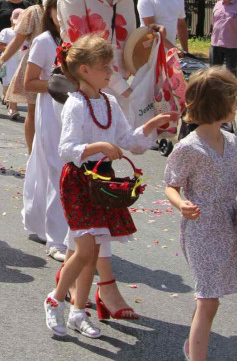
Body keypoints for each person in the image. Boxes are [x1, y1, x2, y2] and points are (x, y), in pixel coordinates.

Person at [45, 34, 176, 339]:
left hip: (102, 181)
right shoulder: (75, 103)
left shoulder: (110, 102)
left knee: (92, 252)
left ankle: (78, 311)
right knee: (86, 248)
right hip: (79, 180)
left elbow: (128, 141)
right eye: (105, 68)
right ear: (84, 70)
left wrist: (152, 125)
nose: (111, 73)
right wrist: (99, 145)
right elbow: (67, 148)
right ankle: (55, 299)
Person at [56, 0, 141, 320]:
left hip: (116, 93)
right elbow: (79, 53)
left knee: (102, 198)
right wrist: (119, 89)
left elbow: (128, 47)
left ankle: (82, 283)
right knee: (93, 194)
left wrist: (148, 48)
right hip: (88, 94)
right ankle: (100, 289)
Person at [164, 67, 237, 361]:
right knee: (209, 300)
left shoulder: (232, 141)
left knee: (209, 296)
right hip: (201, 228)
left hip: (227, 226)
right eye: (233, 100)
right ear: (217, 105)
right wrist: (181, 203)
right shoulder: (188, 147)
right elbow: (171, 185)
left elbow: (232, 183)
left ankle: (192, 345)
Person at [21, 0, 69, 262]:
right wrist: (61, 84)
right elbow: (29, 83)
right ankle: (56, 238)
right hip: (51, 112)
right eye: (58, 8)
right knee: (54, 168)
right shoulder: (43, 41)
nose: (64, 15)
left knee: (65, 169)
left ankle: (46, 223)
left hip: (75, 113)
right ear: (50, 12)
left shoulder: (82, 41)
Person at [1, 0, 59, 150]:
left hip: (59, 66)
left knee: (57, 113)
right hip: (35, 66)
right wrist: (1, 60)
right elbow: (17, 40)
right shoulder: (33, 11)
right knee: (33, 111)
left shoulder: (66, 10)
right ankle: (32, 153)